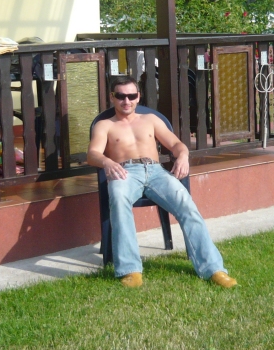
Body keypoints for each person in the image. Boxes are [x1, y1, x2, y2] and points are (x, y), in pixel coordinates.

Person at [87, 75, 237, 289]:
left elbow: (176, 144)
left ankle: (213, 269)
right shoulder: (105, 125)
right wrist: (107, 162)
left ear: (138, 96)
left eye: (131, 96)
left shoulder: (150, 120)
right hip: (124, 171)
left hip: (156, 171)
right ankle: (130, 270)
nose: (126, 101)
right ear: (112, 97)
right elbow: (92, 154)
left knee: (186, 205)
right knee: (119, 201)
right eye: (120, 96)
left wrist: (183, 156)